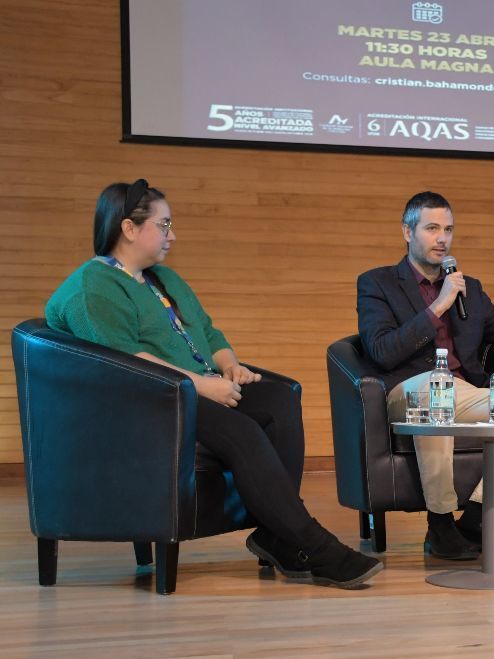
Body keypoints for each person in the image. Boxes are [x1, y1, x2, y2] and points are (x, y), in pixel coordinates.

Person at [45, 180, 383, 589]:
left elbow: (206, 330)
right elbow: (125, 362)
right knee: (241, 429)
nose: (173, 235)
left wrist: (230, 366)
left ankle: (277, 535)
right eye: (164, 224)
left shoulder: (161, 278)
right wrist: (201, 388)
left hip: (189, 391)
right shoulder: (92, 286)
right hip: (148, 404)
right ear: (129, 229)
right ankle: (315, 546)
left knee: (279, 400)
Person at [357, 191, 494, 561]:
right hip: (409, 391)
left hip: (466, 392)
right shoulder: (378, 284)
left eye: (448, 230)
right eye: (432, 228)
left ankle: (478, 517)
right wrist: (439, 305)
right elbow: (382, 350)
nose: (442, 239)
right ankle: (439, 524)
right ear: (407, 232)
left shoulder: (470, 288)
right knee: (438, 389)